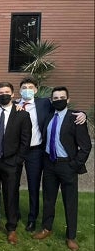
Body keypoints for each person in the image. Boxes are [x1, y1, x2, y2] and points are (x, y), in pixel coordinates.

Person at [14, 76, 87, 232]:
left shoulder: (44, 104)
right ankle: (15, 215)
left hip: (36, 152)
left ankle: (32, 219)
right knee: (13, 185)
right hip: (17, 152)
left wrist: (83, 114)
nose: (27, 90)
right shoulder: (13, 105)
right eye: (24, 88)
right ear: (19, 91)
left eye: (30, 87)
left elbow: (65, 111)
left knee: (33, 187)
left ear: (35, 90)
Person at [33, 86, 91, 251]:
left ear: (68, 99)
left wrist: (74, 165)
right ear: (51, 101)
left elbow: (86, 146)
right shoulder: (49, 116)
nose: (59, 100)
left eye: (62, 97)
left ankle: (71, 236)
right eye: (56, 98)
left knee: (70, 202)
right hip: (49, 165)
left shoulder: (76, 118)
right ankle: (46, 228)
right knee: (48, 199)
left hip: (68, 166)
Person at [0, 81, 32, 245]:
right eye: (0, 92)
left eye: (7, 92)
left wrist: (18, 160)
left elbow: (25, 140)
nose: (4, 95)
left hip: (11, 160)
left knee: (11, 194)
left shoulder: (22, 114)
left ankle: (11, 228)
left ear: (13, 94)